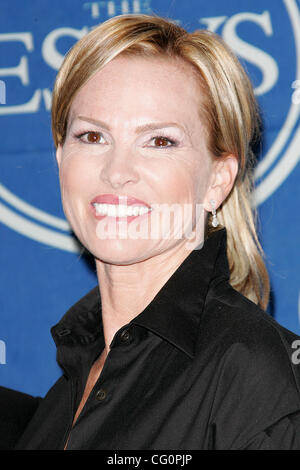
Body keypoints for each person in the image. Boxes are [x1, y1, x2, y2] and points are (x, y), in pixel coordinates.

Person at [15, 14, 300, 450]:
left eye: (159, 141)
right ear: (60, 157)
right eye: (92, 136)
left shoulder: (252, 371)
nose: (116, 172)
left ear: (218, 181)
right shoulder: (73, 380)